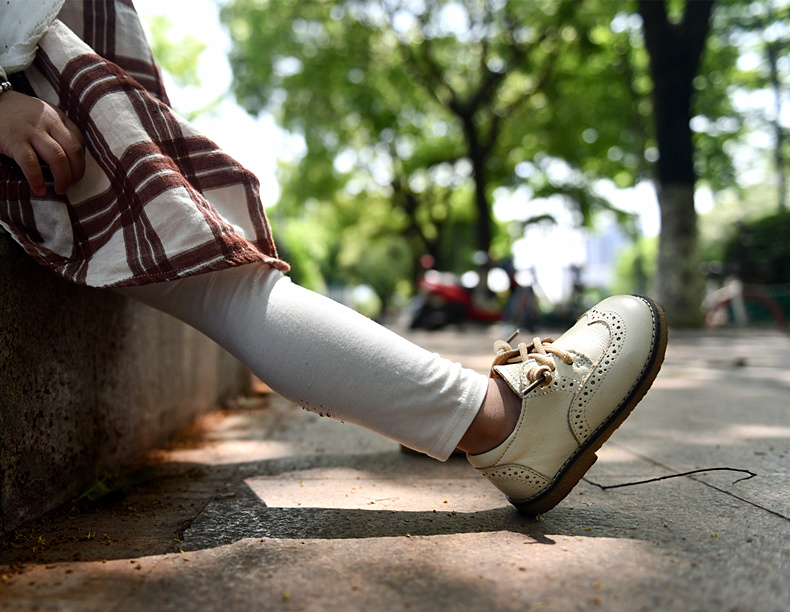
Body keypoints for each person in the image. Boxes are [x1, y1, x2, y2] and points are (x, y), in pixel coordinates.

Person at [0, 0, 667, 516]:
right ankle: (506, 425)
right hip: (32, 98)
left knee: (228, 277)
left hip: (47, 71)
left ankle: (447, 413)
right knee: (230, 286)